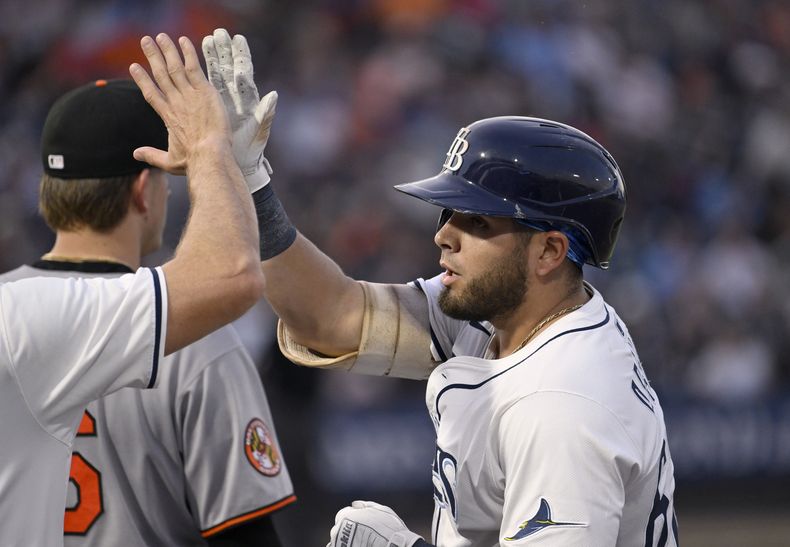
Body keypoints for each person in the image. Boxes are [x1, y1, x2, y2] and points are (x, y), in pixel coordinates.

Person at [208, 34, 679, 547]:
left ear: (548, 252)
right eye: (446, 212)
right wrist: (250, 181)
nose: (443, 235)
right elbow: (330, 316)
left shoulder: (563, 406)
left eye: (476, 221)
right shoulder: (506, 312)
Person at [0, 77, 295, 545]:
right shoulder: (198, 339)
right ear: (142, 190)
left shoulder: (7, 313)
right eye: (164, 179)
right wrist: (210, 153)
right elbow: (246, 534)